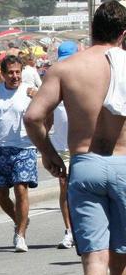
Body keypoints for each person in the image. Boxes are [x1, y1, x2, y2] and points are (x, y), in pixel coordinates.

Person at [23, 0, 126, 275]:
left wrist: (50, 155)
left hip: (84, 165)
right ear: (124, 33)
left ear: (91, 29)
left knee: (94, 262)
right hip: (125, 163)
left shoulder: (66, 67)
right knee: (122, 260)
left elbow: (33, 116)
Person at [0, 55, 37, 253]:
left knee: (21, 189)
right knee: (1, 194)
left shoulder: (29, 91)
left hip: (24, 146)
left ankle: (20, 235)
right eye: (10, 73)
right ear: (2, 74)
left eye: (18, 72)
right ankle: (20, 219)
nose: (15, 76)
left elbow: (46, 110)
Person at [46, 41, 78, 249]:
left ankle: (84, 229)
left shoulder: (86, 81)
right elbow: (45, 118)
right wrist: (45, 149)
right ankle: (69, 231)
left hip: (84, 145)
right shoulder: (53, 84)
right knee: (65, 187)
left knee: (84, 189)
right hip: (62, 146)